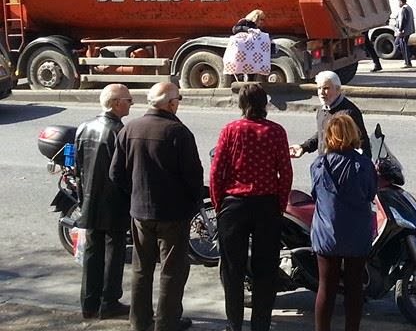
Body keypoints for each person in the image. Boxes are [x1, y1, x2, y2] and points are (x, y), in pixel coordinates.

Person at [109, 81, 204, 331]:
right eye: (178, 99)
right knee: (172, 272)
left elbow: (116, 173)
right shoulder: (178, 132)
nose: (178, 104)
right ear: (171, 103)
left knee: (141, 270)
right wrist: (193, 201)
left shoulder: (130, 129)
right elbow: (193, 176)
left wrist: (136, 194)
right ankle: (166, 323)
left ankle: (139, 323)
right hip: (173, 214)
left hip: (141, 211)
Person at [210, 83, 293, 331]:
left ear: (241, 104)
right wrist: (279, 204)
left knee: (232, 268)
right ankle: (261, 325)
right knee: (265, 268)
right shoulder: (276, 132)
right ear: (264, 104)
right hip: (267, 204)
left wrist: (218, 203)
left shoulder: (231, 130)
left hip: (233, 206)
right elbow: (285, 172)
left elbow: (217, 171)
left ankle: (234, 323)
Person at [310, 115, 377, 331]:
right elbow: (370, 194)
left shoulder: (319, 165)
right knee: (354, 287)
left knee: (326, 288)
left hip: (327, 233)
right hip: (356, 234)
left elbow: (316, 194)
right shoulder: (364, 165)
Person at [75, 84, 133, 320]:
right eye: (128, 99)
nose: (131, 103)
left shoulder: (84, 127)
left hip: (89, 197)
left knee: (93, 251)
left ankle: (89, 303)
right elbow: (123, 171)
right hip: (113, 201)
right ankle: (109, 301)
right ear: (116, 103)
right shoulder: (118, 131)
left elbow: (78, 166)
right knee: (113, 252)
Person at [290, 71, 371, 159]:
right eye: (319, 88)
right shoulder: (322, 109)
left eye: (326, 88)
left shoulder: (349, 114)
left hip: (341, 168)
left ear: (337, 89)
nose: (321, 92)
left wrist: (364, 168)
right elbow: (323, 133)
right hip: (325, 166)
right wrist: (304, 147)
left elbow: (363, 143)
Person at [224, 9, 271, 83]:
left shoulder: (258, 27)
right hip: (242, 49)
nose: (262, 22)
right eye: (261, 19)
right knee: (240, 64)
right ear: (255, 17)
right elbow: (234, 29)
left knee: (252, 65)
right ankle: (240, 80)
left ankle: (250, 80)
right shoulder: (245, 21)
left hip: (252, 50)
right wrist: (248, 30)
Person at [394, 0, 415, 68]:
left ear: (401, 1)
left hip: (404, 31)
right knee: (399, 44)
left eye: (398, 2)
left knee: (402, 45)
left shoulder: (404, 9)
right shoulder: (408, 7)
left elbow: (403, 20)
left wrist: (400, 30)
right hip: (407, 30)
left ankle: (408, 61)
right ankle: (409, 57)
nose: (398, 4)